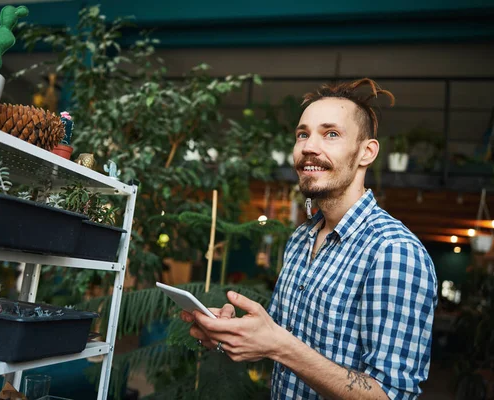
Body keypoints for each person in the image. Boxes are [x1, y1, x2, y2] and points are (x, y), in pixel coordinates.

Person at [181, 78, 438, 400]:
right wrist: (238, 333)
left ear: (366, 152)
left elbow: (389, 395)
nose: (308, 147)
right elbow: (288, 341)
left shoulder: (394, 252)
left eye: (331, 134)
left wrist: (278, 345)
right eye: (303, 134)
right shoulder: (302, 237)